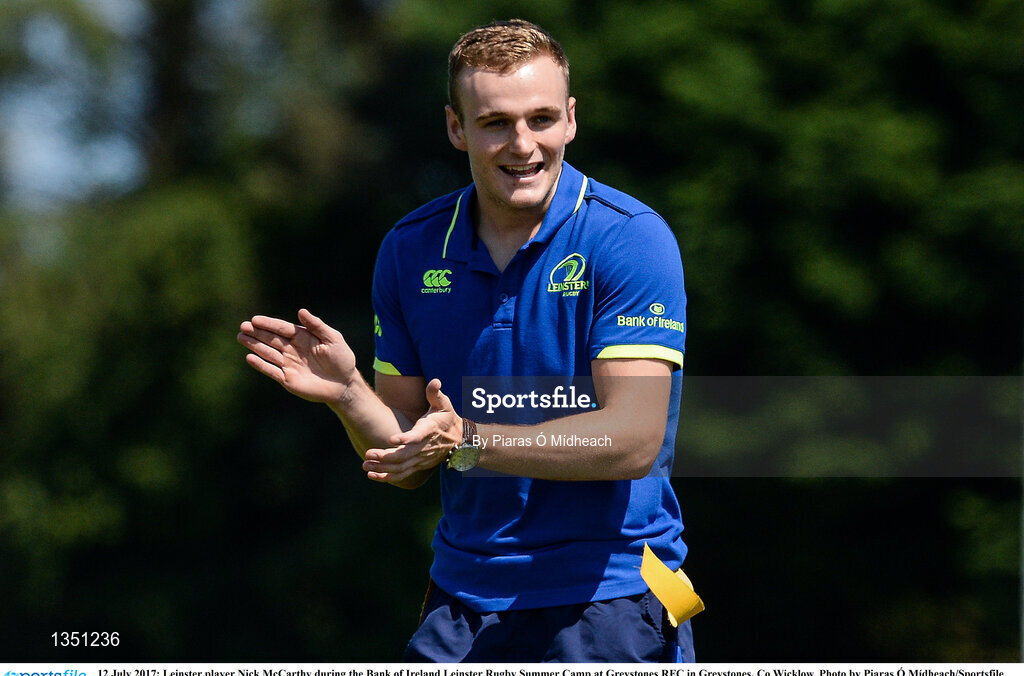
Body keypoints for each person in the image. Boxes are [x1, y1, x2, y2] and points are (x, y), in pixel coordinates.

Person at [237, 19, 696, 663]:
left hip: (612, 598)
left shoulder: (630, 238)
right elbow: (407, 455)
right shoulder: (409, 248)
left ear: (571, 119)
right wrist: (348, 394)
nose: (523, 144)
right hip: (463, 601)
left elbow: (631, 440)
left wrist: (472, 444)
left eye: (541, 119)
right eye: (495, 123)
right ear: (456, 128)